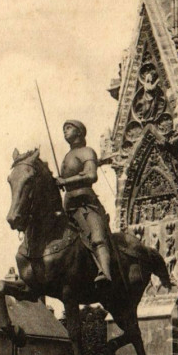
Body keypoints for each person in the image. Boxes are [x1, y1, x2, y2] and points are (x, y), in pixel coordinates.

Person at [56, 120, 112, 284]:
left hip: (86, 204)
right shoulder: (67, 156)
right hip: (69, 205)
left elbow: (91, 175)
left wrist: (65, 182)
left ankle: (106, 273)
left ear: (79, 132)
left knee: (97, 237)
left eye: (68, 128)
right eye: (63, 128)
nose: (64, 131)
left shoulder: (87, 152)